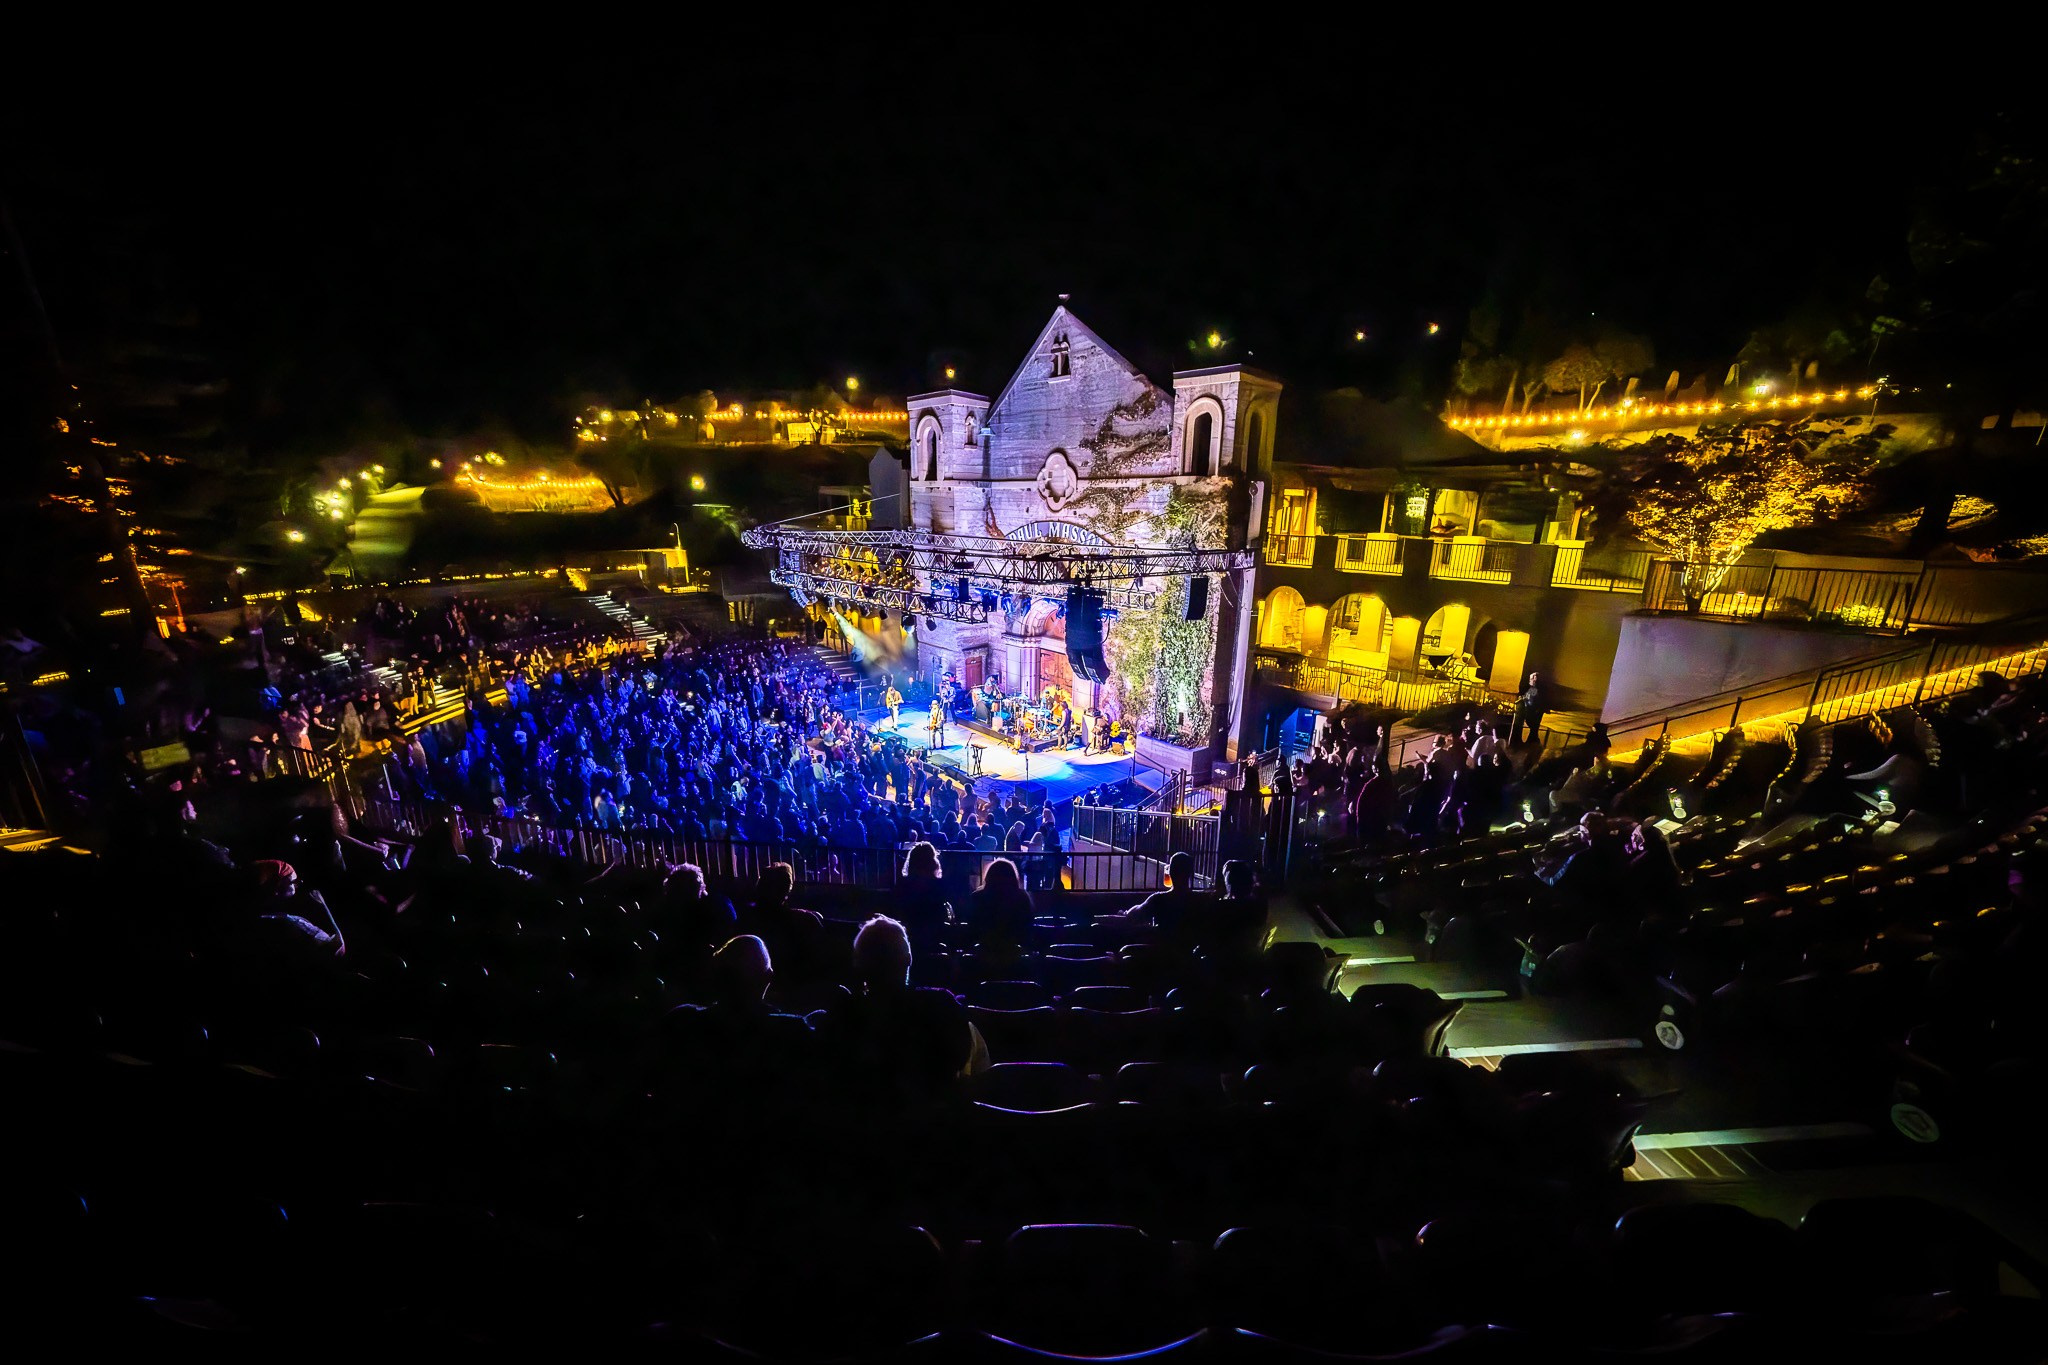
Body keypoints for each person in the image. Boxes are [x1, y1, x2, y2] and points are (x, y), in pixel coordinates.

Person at [813, 915, 988, 1105]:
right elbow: (960, 1060)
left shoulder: (841, 1014)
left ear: (857, 963)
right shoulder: (942, 1006)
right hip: (932, 1115)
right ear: (908, 959)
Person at [963, 856, 1034, 956]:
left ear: (989, 876)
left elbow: (971, 925)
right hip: (1015, 952)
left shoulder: (977, 897)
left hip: (983, 951)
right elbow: (1026, 925)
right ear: (1012, 876)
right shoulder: (1022, 897)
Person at [896, 840, 953, 952]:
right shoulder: (938, 885)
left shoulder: (903, 884)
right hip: (935, 935)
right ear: (933, 862)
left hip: (909, 935)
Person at [1512, 672, 1547, 747]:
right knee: (1534, 729)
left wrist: (1523, 701)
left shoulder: (1534, 690)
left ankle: (1532, 742)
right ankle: (1533, 742)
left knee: (1533, 729)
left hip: (1531, 712)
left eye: (1531, 679)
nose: (1530, 680)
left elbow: (1530, 701)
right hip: (1533, 712)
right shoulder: (1534, 690)